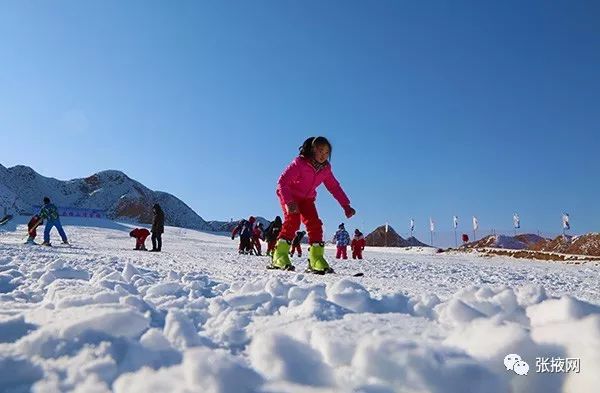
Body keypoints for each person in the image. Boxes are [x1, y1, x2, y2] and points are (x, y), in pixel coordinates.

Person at [271, 136, 356, 273]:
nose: (323, 155)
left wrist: (346, 205)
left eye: (326, 152)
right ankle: (279, 255)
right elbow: (282, 182)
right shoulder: (300, 163)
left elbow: (334, 187)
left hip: (307, 200)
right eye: (320, 151)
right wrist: (289, 202)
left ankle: (316, 258)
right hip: (290, 196)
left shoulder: (326, 169)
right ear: (312, 150)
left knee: (315, 224)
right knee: (293, 221)